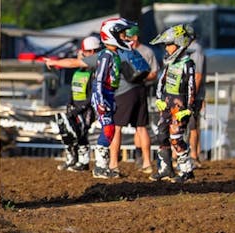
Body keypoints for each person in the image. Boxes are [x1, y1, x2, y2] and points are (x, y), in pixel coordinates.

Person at [109, 20, 159, 175]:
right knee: (141, 127)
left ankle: (113, 164)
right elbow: (151, 72)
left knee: (117, 127)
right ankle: (147, 163)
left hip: (125, 92)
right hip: (141, 90)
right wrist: (140, 79)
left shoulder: (122, 50)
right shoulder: (138, 52)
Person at [149, 24, 197, 183]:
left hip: (180, 105)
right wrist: (159, 99)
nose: (166, 48)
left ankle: (186, 171)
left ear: (179, 44)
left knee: (176, 138)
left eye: (169, 44)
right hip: (167, 103)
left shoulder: (188, 64)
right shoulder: (169, 62)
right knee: (161, 135)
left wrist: (189, 108)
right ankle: (165, 169)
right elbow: (161, 81)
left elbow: (191, 87)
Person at [45, 35, 102, 171]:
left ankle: (83, 162)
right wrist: (70, 104)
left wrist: (83, 107)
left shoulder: (94, 70)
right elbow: (73, 89)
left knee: (82, 133)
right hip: (74, 106)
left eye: (84, 52)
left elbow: (92, 92)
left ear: (92, 52)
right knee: (68, 133)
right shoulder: (78, 71)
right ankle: (71, 159)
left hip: (86, 108)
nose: (81, 54)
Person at [88, 17, 132, 178]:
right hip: (102, 93)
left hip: (110, 94)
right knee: (108, 128)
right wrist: (100, 100)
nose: (125, 36)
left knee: (110, 129)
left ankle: (102, 167)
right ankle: (100, 167)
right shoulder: (106, 55)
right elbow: (99, 78)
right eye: (121, 33)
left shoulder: (114, 54)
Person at [185, 37, 207, 167]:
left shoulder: (196, 50)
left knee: (192, 125)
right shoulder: (187, 50)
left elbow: (198, 76)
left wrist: (191, 95)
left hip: (193, 95)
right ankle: (177, 156)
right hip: (185, 94)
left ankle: (194, 155)